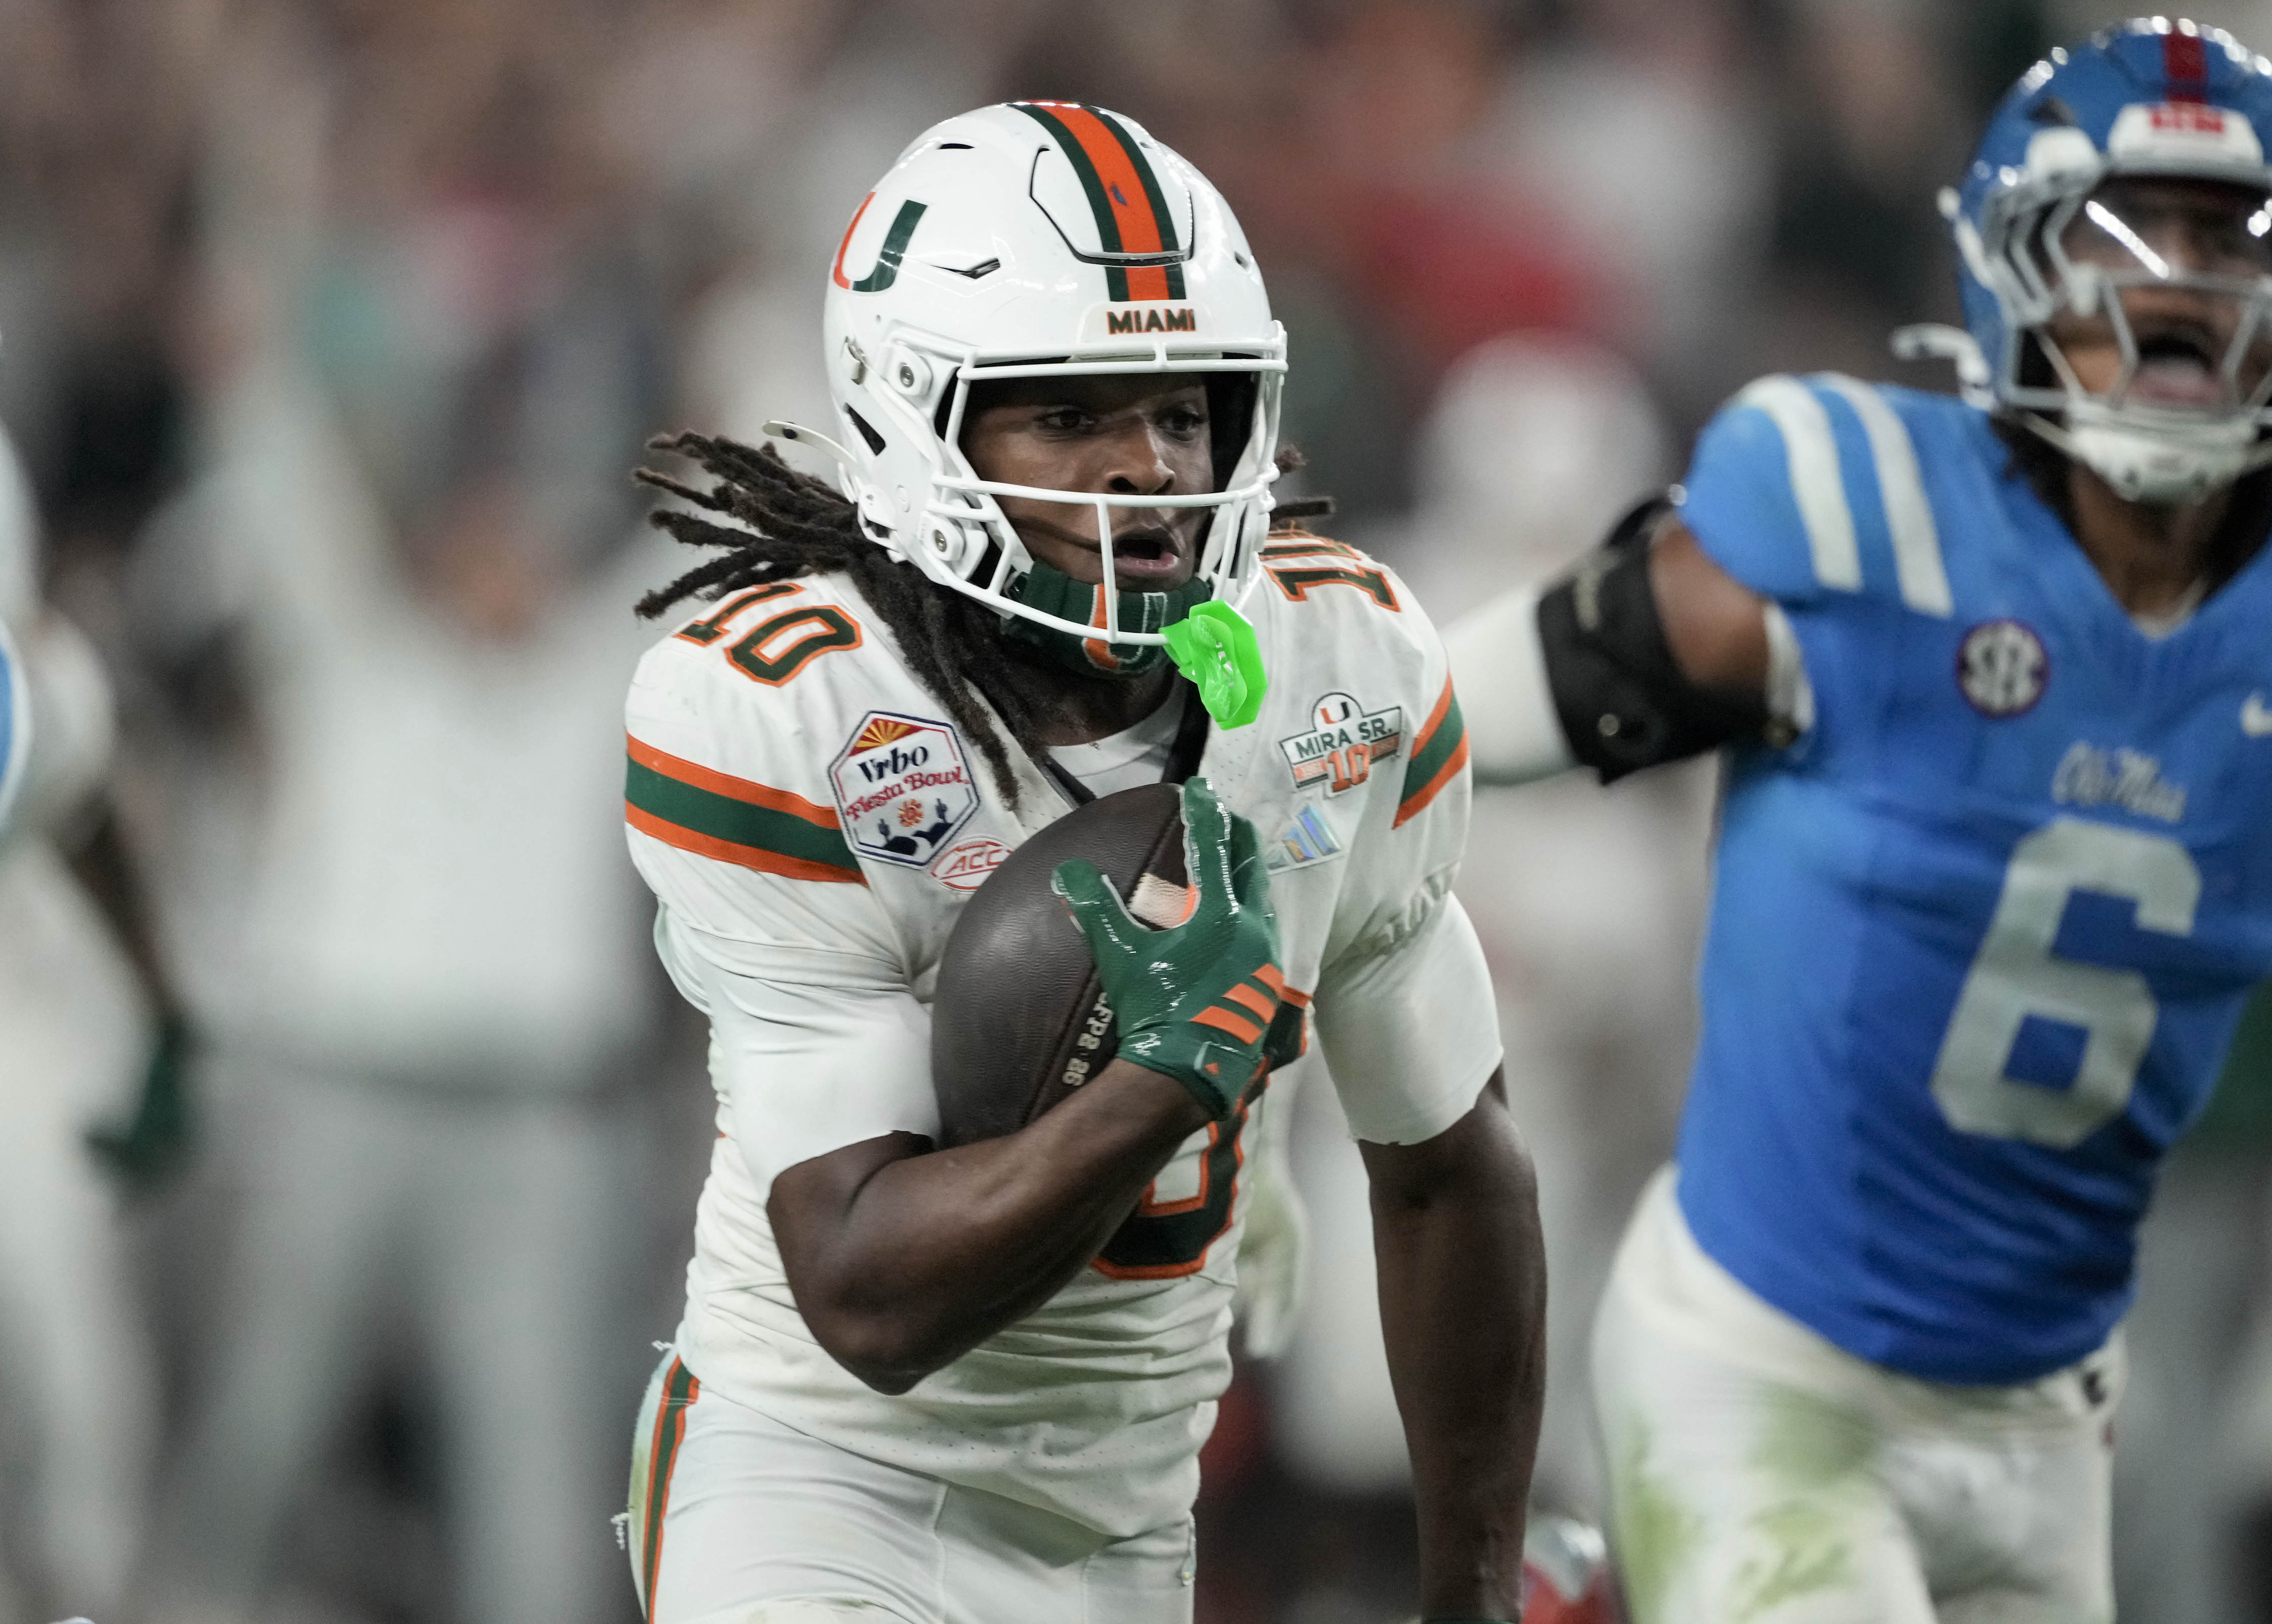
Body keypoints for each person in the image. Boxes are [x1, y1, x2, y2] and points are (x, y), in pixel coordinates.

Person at [620, 101, 1545, 1624]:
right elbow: (861, 1288)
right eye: (1070, 417)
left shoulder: (1336, 670)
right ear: (913, 419)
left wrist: (1476, 1596)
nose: (1148, 473)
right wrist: (1164, 1080)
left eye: (1182, 414)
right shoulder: (797, 707)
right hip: (816, 1476)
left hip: (1122, 1516)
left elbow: (1449, 1163)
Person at [1445, 19, 2272, 1622]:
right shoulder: (1866, 519)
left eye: (2227, 240)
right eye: (2121, 235)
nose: (2172, 289)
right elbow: (1420, 721)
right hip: (1770, 1368)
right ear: (2007, 272)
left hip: (2054, 1410)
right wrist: (1228, 701)